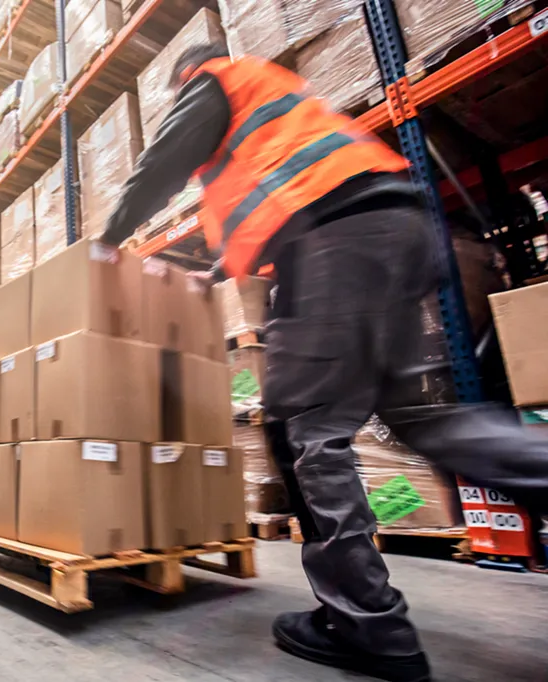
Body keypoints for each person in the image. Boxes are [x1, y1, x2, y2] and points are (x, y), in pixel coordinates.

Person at [99, 43, 548, 682]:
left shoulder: (213, 81)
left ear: (182, 76)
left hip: (335, 238)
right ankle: (362, 614)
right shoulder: (278, 105)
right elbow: (263, 204)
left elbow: (160, 164)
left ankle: (366, 625)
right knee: (427, 422)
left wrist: (105, 243)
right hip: (394, 227)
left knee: (305, 427)